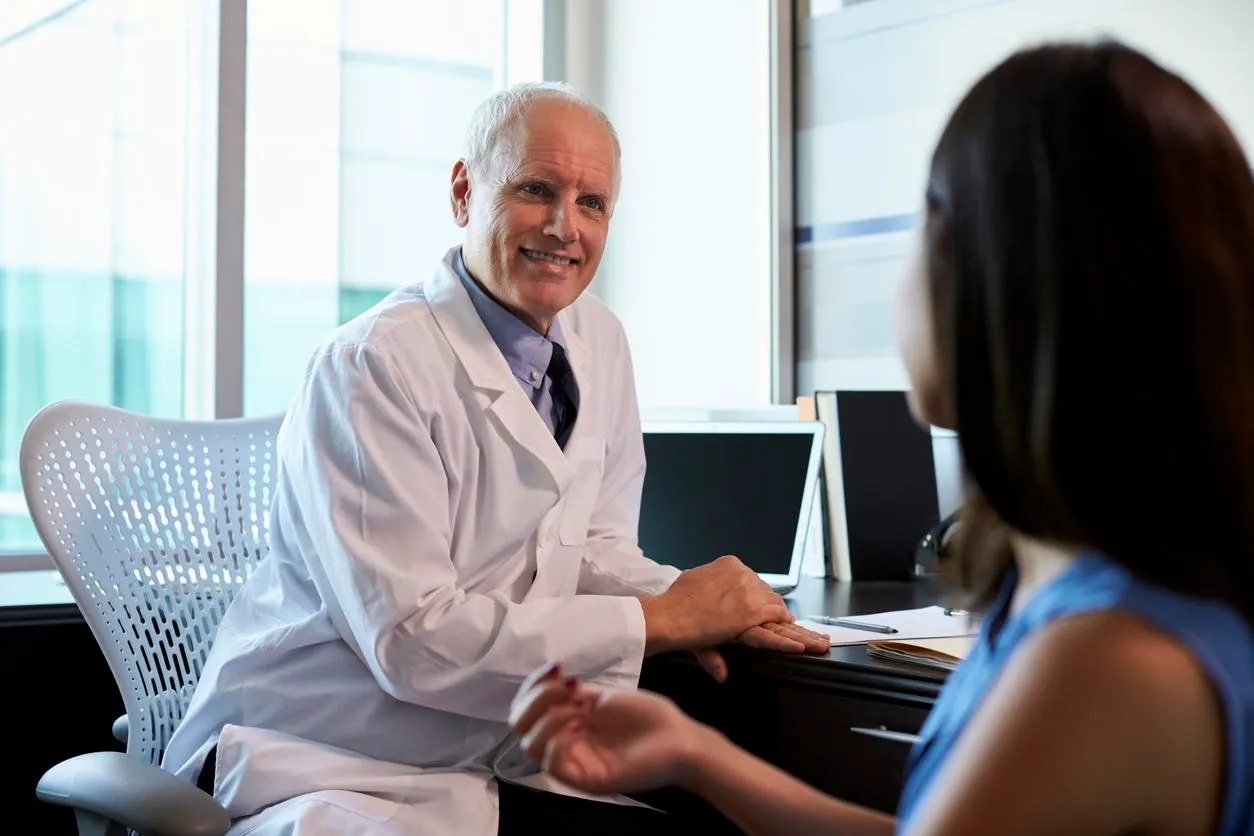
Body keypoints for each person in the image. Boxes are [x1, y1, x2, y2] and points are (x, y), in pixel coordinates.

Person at [511, 41, 1254, 836]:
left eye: (927, 224)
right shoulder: (1073, 587)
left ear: (1012, 286)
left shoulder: (1110, 665)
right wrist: (698, 756)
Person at [160, 81, 829, 836]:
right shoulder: (371, 365)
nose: (562, 226)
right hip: (319, 755)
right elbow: (411, 641)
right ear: (463, 191)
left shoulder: (598, 339)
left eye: (592, 203)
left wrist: (708, 605)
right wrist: (659, 619)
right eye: (535, 189)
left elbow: (593, 547)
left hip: (476, 760)